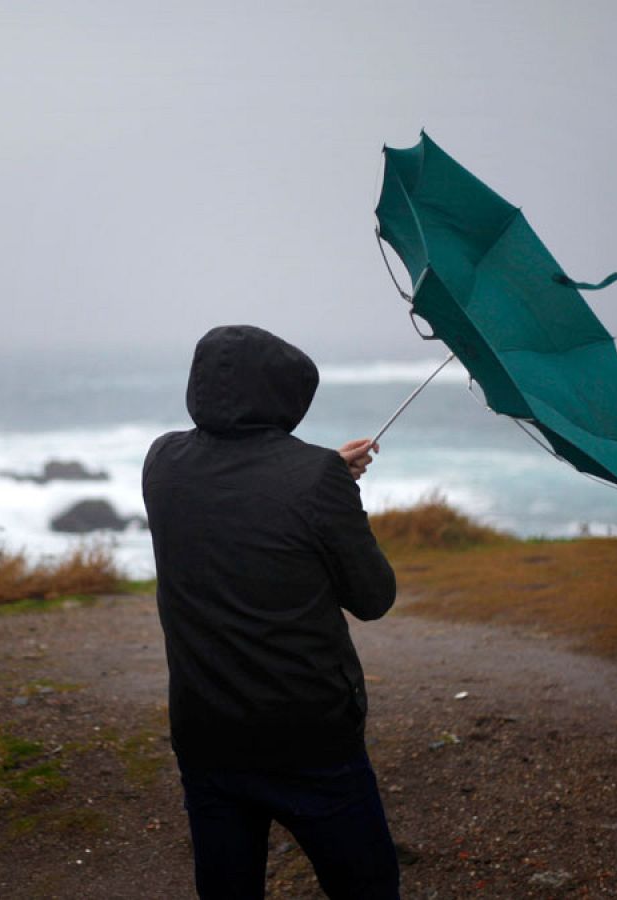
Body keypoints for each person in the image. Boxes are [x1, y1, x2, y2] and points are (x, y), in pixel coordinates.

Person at [142, 324, 400, 900]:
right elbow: (374, 598)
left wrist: (324, 473)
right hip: (307, 734)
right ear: (289, 395)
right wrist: (334, 484)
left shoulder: (161, 461)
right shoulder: (314, 479)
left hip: (204, 725)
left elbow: (240, 494)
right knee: (367, 886)